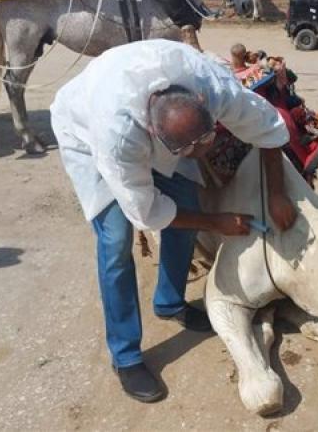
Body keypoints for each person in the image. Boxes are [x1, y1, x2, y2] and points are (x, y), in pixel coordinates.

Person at [50, 40, 297, 402]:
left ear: (203, 106)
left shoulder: (211, 85)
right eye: (188, 151)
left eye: (207, 139)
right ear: (154, 135)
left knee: (185, 197)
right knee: (115, 240)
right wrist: (217, 222)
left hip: (154, 113)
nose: (204, 153)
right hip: (83, 134)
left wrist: (276, 192)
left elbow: (269, 127)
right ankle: (126, 356)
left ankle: (170, 303)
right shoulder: (116, 137)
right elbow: (146, 213)